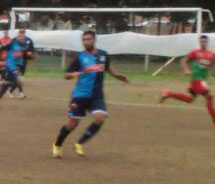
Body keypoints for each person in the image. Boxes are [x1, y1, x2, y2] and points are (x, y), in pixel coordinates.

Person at [52, 30, 128, 158]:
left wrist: (117, 76)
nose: (86, 42)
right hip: (81, 94)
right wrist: (73, 74)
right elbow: (66, 75)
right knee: (73, 123)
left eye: (88, 39)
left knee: (100, 118)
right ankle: (57, 144)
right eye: (84, 40)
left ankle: (79, 143)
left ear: (94, 40)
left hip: (97, 95)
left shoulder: (103, 55)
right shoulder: (79, 57)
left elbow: (107, 68)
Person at [159, 35, 215, 125]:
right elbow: (183, 60)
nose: (203, 43)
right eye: (202, 41)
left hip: (201, 80)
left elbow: (214, 64)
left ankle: (167, 93)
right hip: (197, 79)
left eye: (205, 41)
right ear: (199, 42)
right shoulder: (195, 52)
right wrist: (186, 70)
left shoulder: (210, 54)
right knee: (209, 96)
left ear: (207, 42)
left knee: (189, 99)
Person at [0, 29, 31, 109]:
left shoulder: (24, 45)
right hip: (11, 67)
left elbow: (23, 55)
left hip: (17, 66)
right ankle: (11, 90)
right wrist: (0, 60)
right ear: (17, 37)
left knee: (6, 86)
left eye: (23, 36)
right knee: (19, 81)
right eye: (20, 36)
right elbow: (2, 48)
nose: (21, 37)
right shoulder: (12, 43)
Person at [9, 28, 35, 97]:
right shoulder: (14, 41)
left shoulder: (28, 41)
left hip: (23, 61)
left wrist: (30, 53)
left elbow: (31, 49)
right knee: (19, 77)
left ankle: (10, 91)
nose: (21, 35)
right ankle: (21, 93)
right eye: (20, 33)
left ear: (24, 33)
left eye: (22, 33)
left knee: (20, 77)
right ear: (18, 33)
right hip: (15, 62)